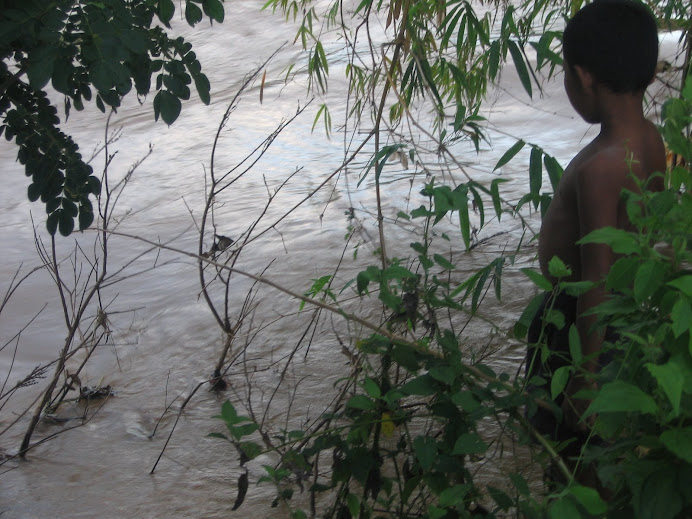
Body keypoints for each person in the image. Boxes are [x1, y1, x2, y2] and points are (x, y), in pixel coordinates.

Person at [525, 0, 667, 472]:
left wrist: (584, 380)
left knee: (572, 459)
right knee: (607, 460)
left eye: (565, 74)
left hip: (582, 334)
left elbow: (597, 283)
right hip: (623, 324)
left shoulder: (604, 166)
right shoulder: (649, 139)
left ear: (583, 76)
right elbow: (649, 239)